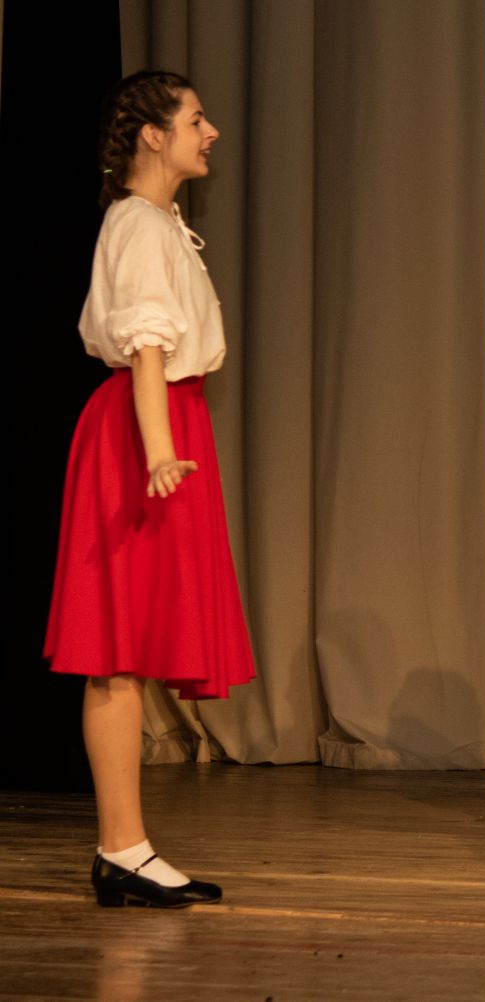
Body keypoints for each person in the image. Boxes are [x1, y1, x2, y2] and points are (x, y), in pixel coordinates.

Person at [44, 70, 255, 908]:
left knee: (128, 646)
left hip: (162, 423)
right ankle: (122, 848)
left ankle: (124, 848)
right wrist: (159, 450)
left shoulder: (160, 224)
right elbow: (147, 348)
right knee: (116, 647)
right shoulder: (136, 223)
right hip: (143, 429)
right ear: (152, 136)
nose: (211, 132)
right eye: (196, 119)